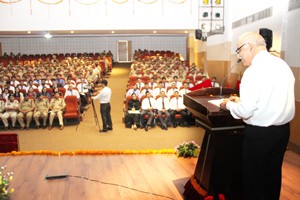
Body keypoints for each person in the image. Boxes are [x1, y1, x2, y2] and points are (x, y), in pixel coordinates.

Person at [220, 32, 295, 200]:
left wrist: (229, 104)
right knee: (271, 177)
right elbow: (271, 98)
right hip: (282, 132)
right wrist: (242, 100)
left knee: (254, 182)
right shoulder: (282, 65)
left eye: (239, 50)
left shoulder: (253, 71)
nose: (239, 56)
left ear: (250, 47)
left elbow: (245, 112)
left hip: (260, 135)